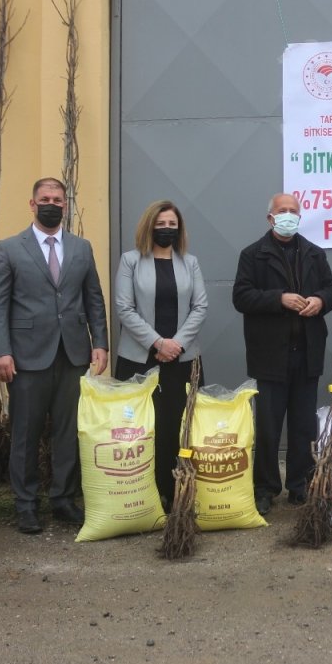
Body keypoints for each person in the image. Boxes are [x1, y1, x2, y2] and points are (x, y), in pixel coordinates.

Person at [0, 178, 109, 534]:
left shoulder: (81, 248)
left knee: (68, 430)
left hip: (72, 353)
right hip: (25, 357)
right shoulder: (8, 249)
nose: (52, 204)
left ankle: (62, 499)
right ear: (32, 203)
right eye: (45, 199)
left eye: (58, 199)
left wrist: (99, 341)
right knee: (25, 432)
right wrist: (1, 352)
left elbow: (94, 298)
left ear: (66, 204)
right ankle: (25, 505)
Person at [233, 193, 332, 516]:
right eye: (283, 211)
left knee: (303, 425)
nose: (289, 216)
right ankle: (265, 488)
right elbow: (241, 296)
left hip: (307, 352)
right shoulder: (253, 255)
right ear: (270, 218)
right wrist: (278, 298)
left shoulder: (313, 253)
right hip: (269, 355)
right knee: (267, 427)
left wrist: (321, 300)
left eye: (294, 211)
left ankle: (299, 484)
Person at [116, 200, 208, 511]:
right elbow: (124, 309)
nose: (167, 229)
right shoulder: (130, 261)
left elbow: (200, 307)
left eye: (172, 224)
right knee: (143, 430)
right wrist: (158, 343)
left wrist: (176, 344)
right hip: (139, 359)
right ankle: (144, 496)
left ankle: (178, 491)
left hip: (182, 360)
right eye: (161, 223)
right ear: (149, 225)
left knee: (179, 426)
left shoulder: (190, 263)